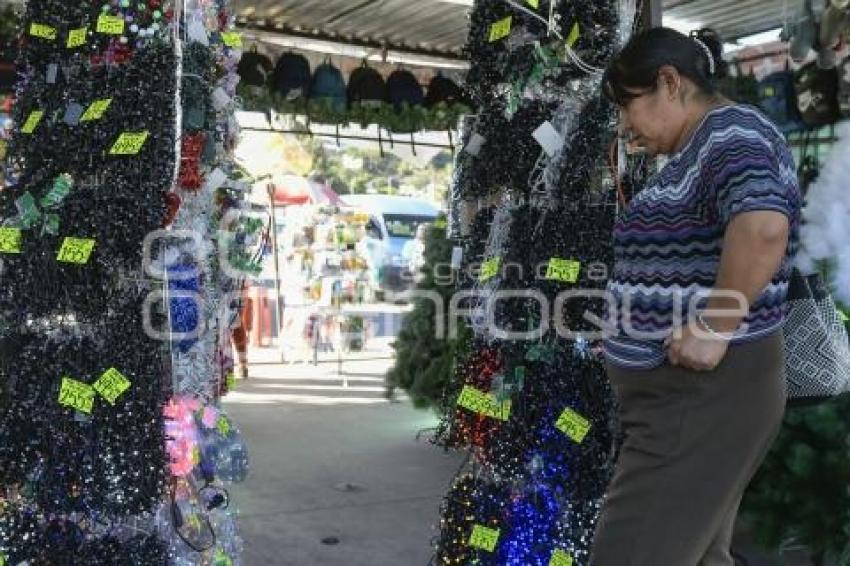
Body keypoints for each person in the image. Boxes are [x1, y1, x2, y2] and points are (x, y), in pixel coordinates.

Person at [592, 28, 802, 565]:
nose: (625, 126)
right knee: (701, 554)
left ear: (669, 82)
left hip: (698, 398)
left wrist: (715, 325)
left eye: (627, 106)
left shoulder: (732, 132)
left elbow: (761, 228)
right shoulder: (705, 143)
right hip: (689, 399)